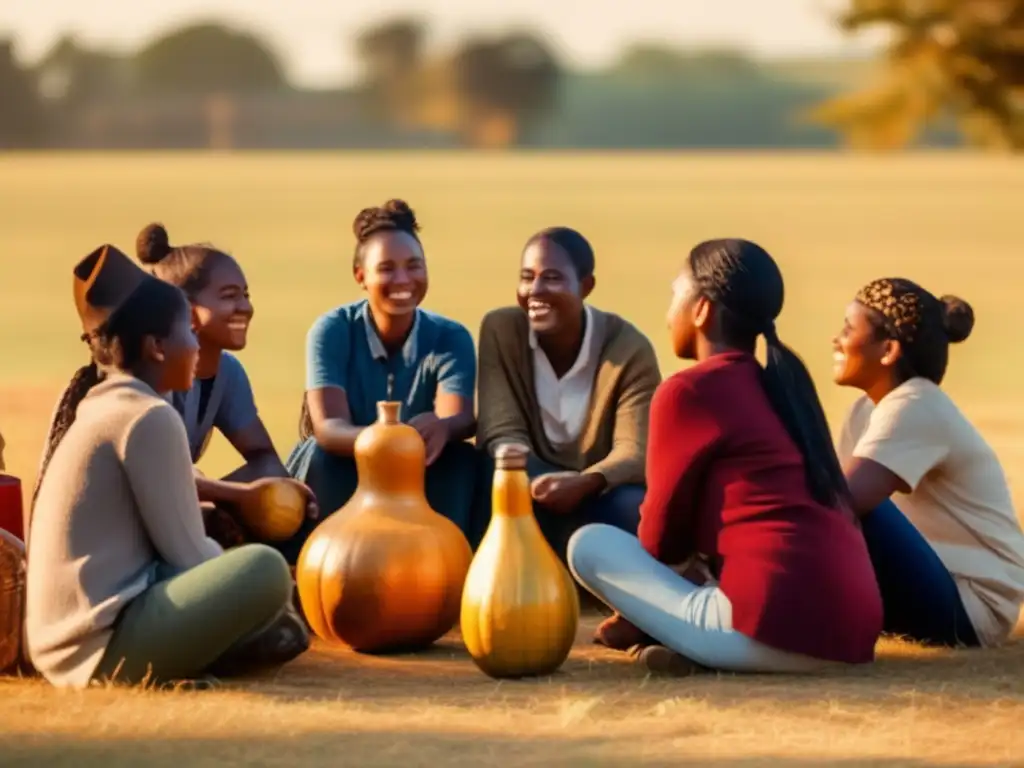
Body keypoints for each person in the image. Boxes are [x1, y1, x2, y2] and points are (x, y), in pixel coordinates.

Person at [568, 239, 883, 676]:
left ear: (701, 310)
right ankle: (683, 643)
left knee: (589, 544)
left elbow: (660, 539)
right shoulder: (784, 388)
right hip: (851, 636)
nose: (669, 311)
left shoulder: (688, 391)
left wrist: (648, 601)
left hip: (768, 632)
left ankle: (682, 639)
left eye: (675, 293)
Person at [26, 244, 306, 689]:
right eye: (187, 334)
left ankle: (207, 648)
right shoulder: (149, 417)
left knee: (252, 596)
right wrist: (235, 577)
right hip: (95, 650)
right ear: (157, 346)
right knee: (265, 571)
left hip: (66, 642)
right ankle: (178, 659)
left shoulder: (110, 405)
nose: (196, 345)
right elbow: (189, 558)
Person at [281, 199, 478, 562]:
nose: (403, 280)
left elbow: (460, 417)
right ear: (361, 277)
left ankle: (447, 567)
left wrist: (443, 427)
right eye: (386, 269)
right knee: (322, 456)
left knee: (462, 460)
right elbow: (329, 428)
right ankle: (309, 566)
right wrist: (391, 440)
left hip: (420, 470)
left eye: (414, 266)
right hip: (345, 462)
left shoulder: (451, 337)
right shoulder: (332, 330)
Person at [833, 278, 1024, 648]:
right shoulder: (862, 412)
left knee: (851, 509)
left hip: (972, 605)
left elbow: (842, 504)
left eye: (847, 329)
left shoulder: (915, 403)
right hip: (934, 583)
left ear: (888, 350)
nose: (836, 340)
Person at [475, 227, 660, 558]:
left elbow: (635, 450)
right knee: (481, 479)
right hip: (525, 491)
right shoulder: (501, 331)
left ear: (585, 286)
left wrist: (586, 482)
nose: (535, 291)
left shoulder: (628, 349)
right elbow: (499, 430)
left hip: (597, 497)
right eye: (527, 277)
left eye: (552, 278)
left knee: (636, 509)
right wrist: (536, 482)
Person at [135, 223, 317, 547]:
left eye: (246, 295)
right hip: (133, 528)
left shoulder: (228, 373)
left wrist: (275, 497)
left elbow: (265, 460)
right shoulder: (152, 374)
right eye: (229, 296)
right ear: (189, 313)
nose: (245, 307)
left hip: (176, 510)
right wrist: (242, 497)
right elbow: (162, 478)